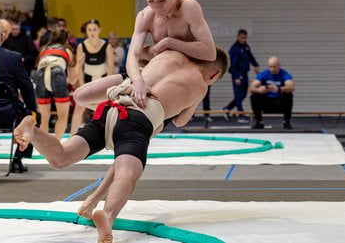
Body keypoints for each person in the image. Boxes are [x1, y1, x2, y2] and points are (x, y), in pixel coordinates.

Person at [14, 48, 228, 242]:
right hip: (138, 120)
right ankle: (108, 215)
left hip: (110, 106)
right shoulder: (200, 84)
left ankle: (33, 131)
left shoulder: (168, 55)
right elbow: (181, 121)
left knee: (62, 157)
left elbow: (137, 55)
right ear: (214, 75)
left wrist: (93, 197)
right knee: (127, 174)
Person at [127, 0, 216, 107]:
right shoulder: (145, 16)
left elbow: (210, 53)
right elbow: (132, 55)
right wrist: (137, 81)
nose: (157, 7)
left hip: (186, 74)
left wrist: (170, 42)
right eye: (150, 1)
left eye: (162, 0)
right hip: (158, 69)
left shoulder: (188, 7)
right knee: (82, 96)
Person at [0, 20, 38, 173]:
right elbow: (26, 86)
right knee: (29, 118)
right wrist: (32, 109)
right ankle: (17, 160)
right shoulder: (13, 57)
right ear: (3, 36)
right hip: (9, 113)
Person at [71, 19, 114, 134]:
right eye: (89, 30)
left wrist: (107, 87)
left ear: (99, 30)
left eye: (94, 29)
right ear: (86, 31)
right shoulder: (81, 46)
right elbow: (79, 67)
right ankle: (72, 135)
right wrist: (81, 85)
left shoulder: (107, 46)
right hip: (88, 80)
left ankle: (109, 134)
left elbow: (110, 68)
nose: (92, 32)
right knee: (79, 106)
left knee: (106, 108)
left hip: (102, 80)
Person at [35, 28, 74, 140]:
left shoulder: (43, 50)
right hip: (57, 75)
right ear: (66, 40)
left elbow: (37, 67)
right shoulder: (68, 51)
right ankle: (56, 143)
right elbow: (72, 79)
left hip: (41, 76)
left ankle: (44, 146)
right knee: (62, 115)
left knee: (44, 117)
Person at [224, 29, 260, 122]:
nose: (244, 39)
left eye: (245, 38)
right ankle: (240, 114)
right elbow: (233, 64)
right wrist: (236, 77)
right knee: (238, 94)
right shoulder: (234, 49)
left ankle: (227, 108)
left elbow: (250, 56)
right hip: (238, 74)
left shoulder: (246, 47)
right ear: (238, 37)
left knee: (243, 94)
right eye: (242, 37)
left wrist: (255, 65)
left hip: (244, 74)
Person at [250, 56, 295, 129]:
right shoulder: (264, 74)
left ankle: (286, 122)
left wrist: (279, 89)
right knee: (254, 96)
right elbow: (251, 88)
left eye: (274, 67)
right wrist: (260, 90)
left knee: (288, 94)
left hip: (279, 103)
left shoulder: (285, 74)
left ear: (279, 66)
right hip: (266, 103)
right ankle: (259, 122)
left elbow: (292, 87)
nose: (272, 69)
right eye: (270, 67)